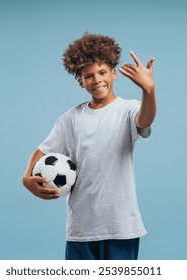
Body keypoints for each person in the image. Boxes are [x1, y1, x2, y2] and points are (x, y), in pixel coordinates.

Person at [22, 32, 156, 260]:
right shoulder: (71, 118)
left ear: (114, 73)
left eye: (102, 72)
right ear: (81, 81)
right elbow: (43, 150)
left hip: (121, 227)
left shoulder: (127, 110)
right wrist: (27, 178)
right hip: (81, 229)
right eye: (89, 76)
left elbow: (145, 120)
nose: (97, 80)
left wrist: (148, 91)